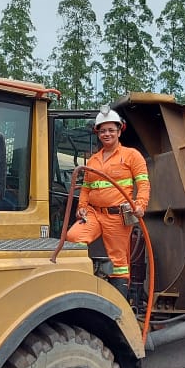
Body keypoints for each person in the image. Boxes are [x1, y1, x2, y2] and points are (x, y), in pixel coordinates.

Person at [65, 106, 150, 296]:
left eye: (111, 130)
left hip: (117, 216)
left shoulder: (131, 156)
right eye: (103, 130)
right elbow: (86, 188)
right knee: (73, 237)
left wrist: (140, 204)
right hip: (94, 214)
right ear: (98, 133)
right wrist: (82, 207)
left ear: (120, 131)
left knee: (119, 262)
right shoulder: (93, 160)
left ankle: (119, 303)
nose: (107, 134)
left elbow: (143, 183)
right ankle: (85, 278)